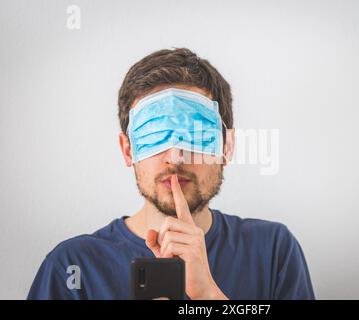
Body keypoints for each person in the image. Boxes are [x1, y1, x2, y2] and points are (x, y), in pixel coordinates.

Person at [27, 48, 315, 300]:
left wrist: (208, 295)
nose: (175, 156)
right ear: (128, 150)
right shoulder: (73, 267)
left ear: (227, 147)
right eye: (153, 133)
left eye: (196, 134)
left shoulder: (273, 250)